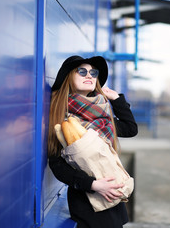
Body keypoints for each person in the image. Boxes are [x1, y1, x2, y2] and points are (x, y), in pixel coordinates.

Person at [48, 55, 138, 228]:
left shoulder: (102, 114)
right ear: (69, 76)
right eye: (82, 71)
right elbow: (56, 164)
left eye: (93, 72)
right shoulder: (60, 115)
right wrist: (94, 185)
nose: (89, 75)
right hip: (87, 202)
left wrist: (116, 99)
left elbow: (130, 129)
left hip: (114, 197)